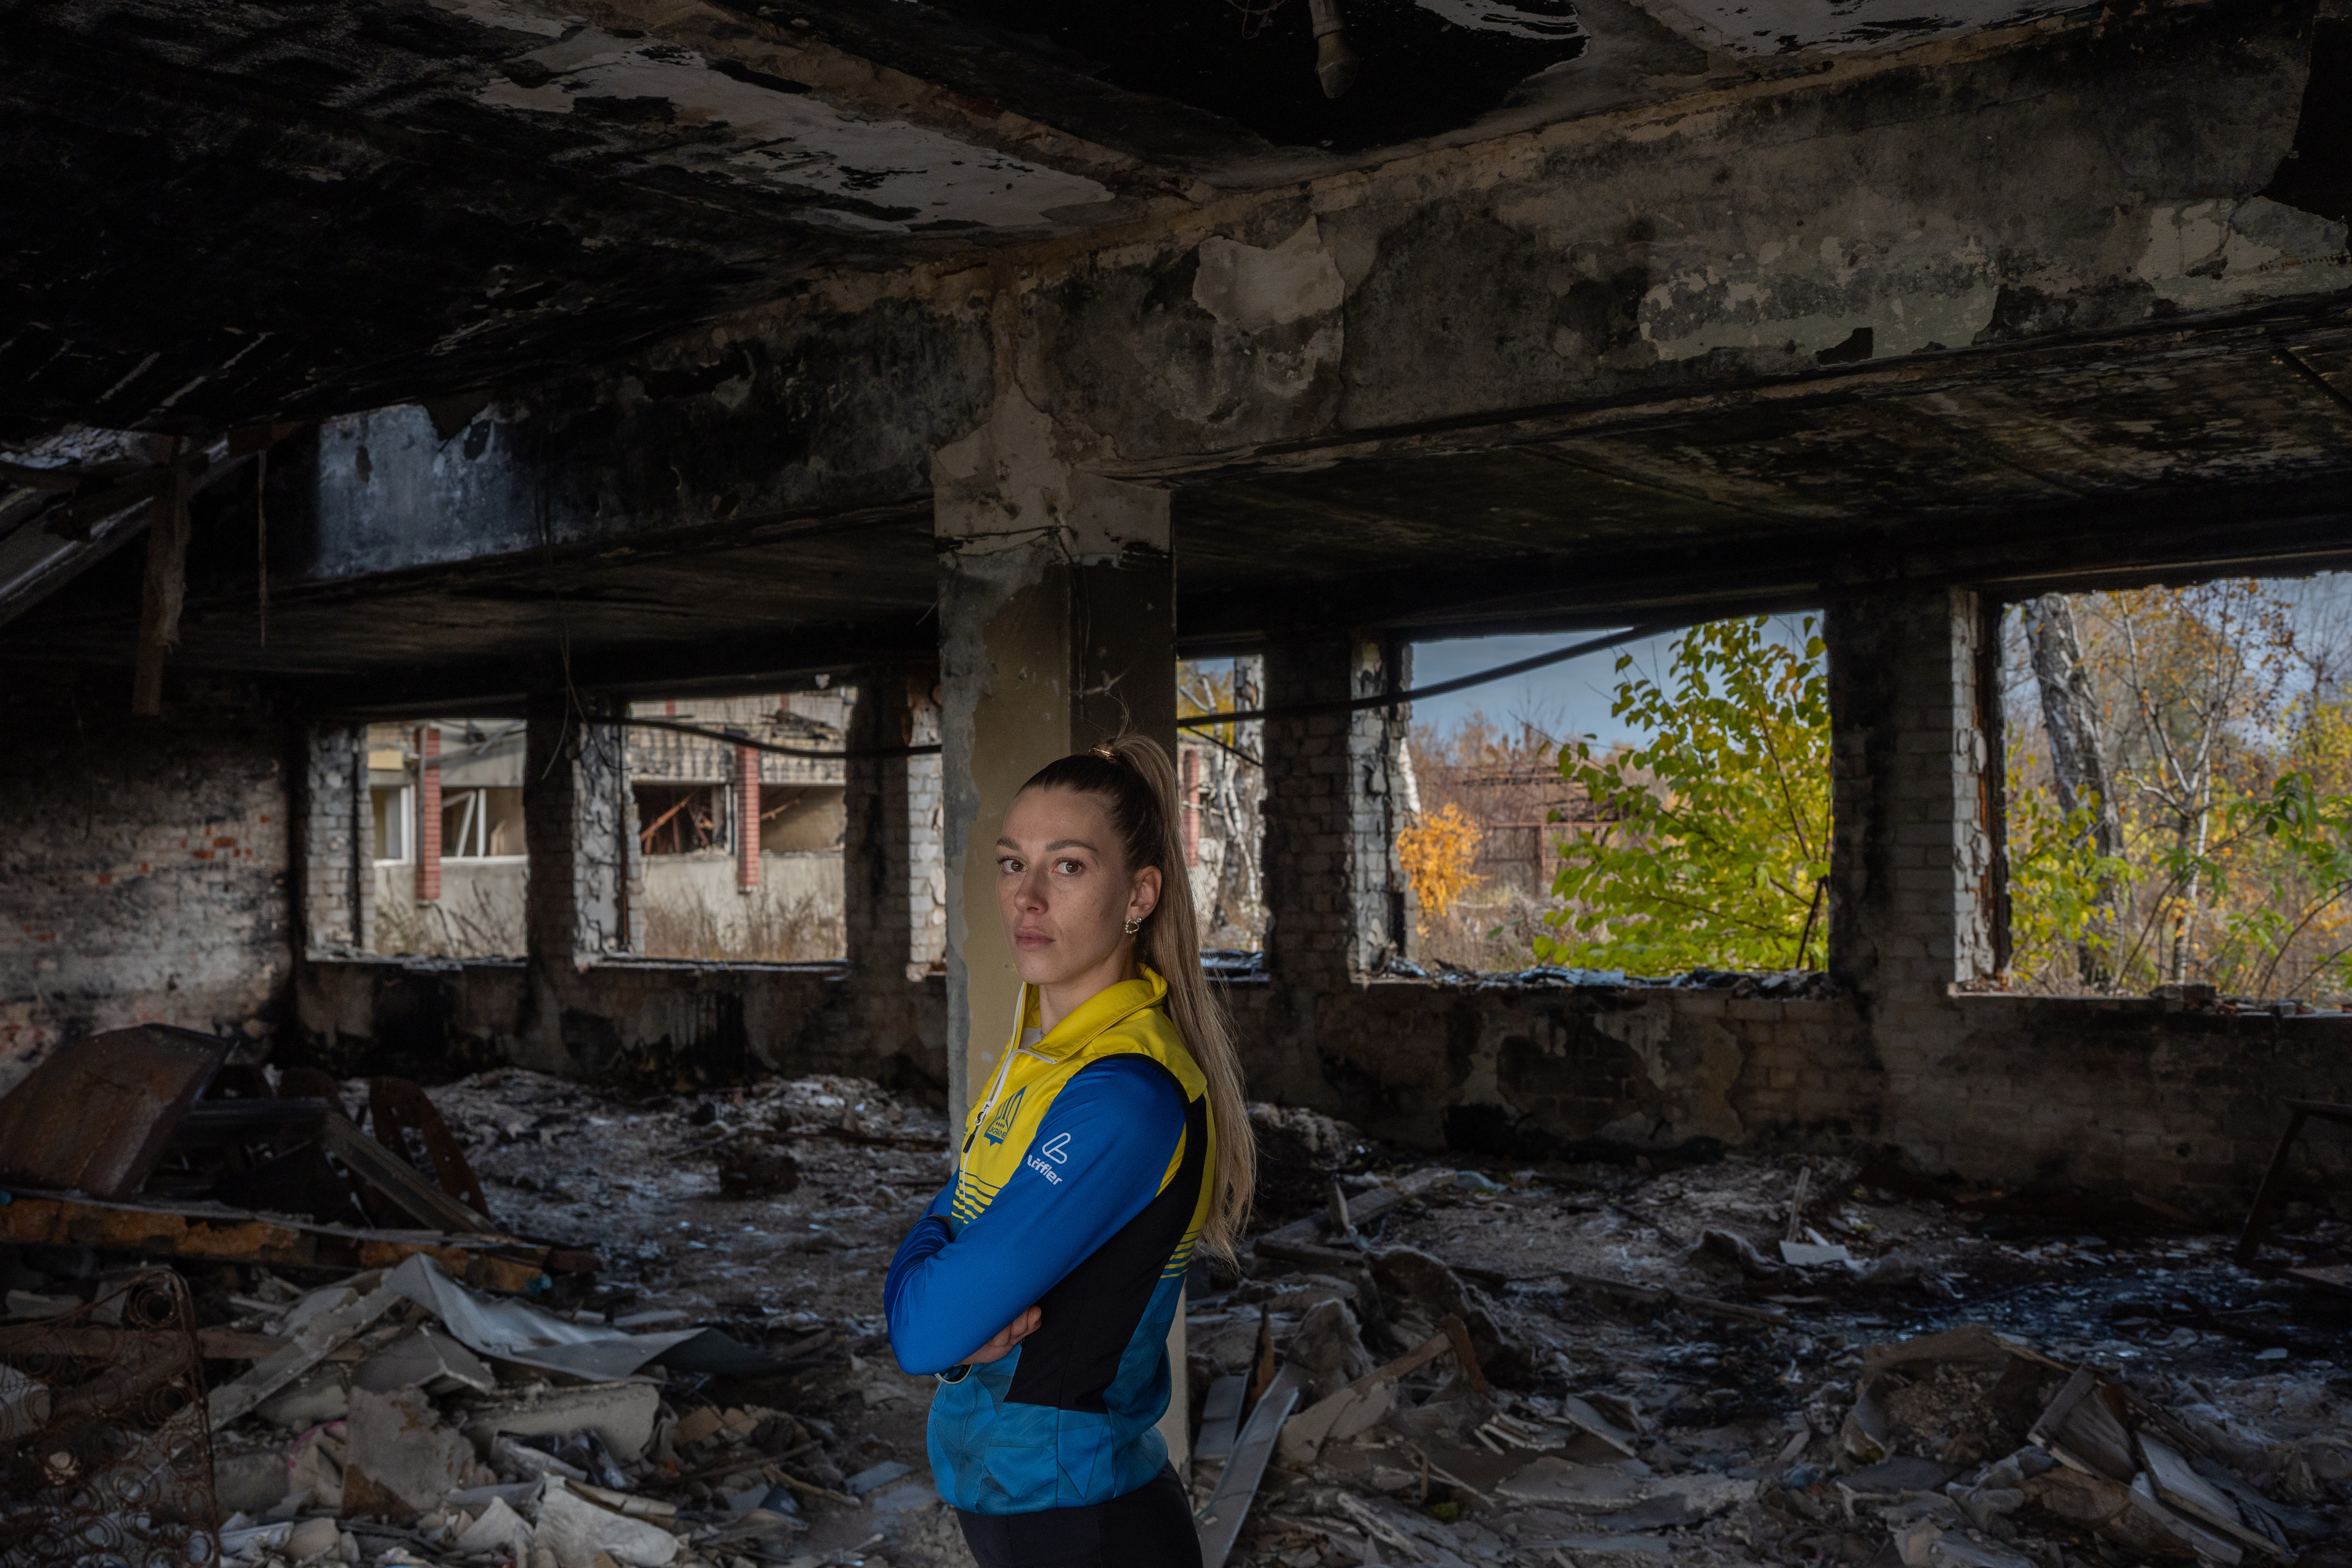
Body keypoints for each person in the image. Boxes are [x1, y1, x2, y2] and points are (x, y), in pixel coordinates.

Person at [884, 735, 1257, 1567]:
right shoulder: (1049, 1061)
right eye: (1012, 863)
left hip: (1084, 1526)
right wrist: (932, 1277)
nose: (1028, 896)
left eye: (1069, 866)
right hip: (1035, 1511)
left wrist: (931, 1284)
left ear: (1140, 895)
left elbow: (922, 1329)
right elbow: (941, 1257)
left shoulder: (1123, 1096)